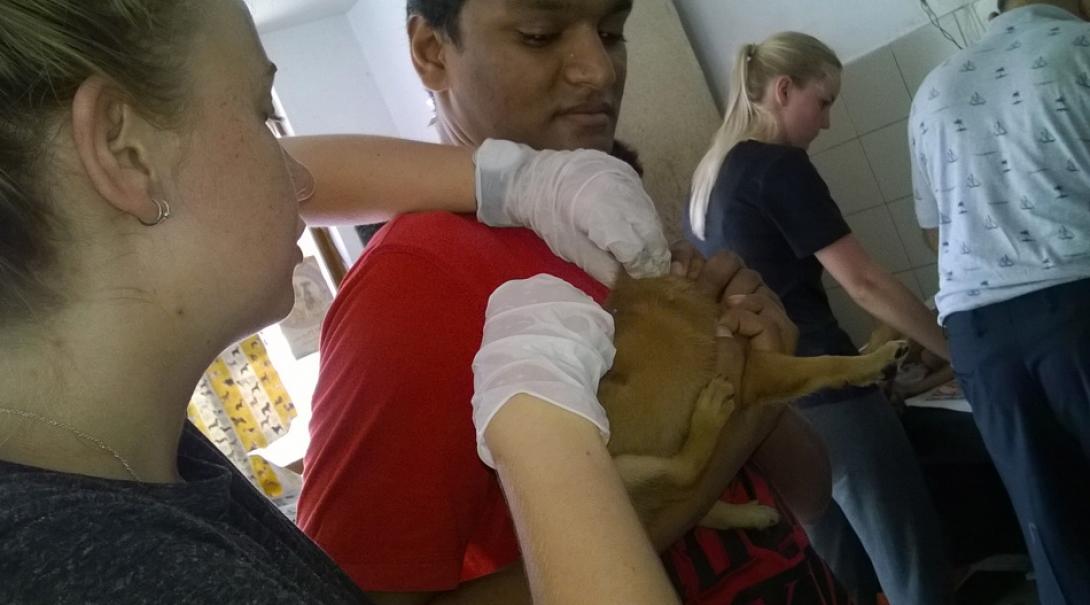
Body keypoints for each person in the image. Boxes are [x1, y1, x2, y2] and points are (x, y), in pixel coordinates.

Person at [0, 0, 686, 602]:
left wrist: (523, 179)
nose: (300, 176)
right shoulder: (115, 571)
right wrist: (549, 448)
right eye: (264, 114)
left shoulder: (124, 457)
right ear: (126, 150)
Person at [297, 2, 852, 604]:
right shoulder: (410, 288)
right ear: (433, 53)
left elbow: (807, 497)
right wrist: (698, 477)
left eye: (612, 33)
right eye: (540, 35)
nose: (600, 70)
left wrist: (758, 376)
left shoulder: (607, 229)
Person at [684, 31, 954, 605]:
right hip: (828, 397)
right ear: (783, 90)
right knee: (912, 564)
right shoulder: (779, 167)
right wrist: (956, 350)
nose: (826, 122)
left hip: (770, 414)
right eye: (823, 102)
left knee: (838, 579)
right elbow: (866, 282)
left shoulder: (711, 180)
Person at [908, 1, 1090, 602]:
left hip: (977, 331)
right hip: (1075, 305)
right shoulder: (1077, 49)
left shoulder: (934, 88)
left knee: (1053, 526)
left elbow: (935, 235)